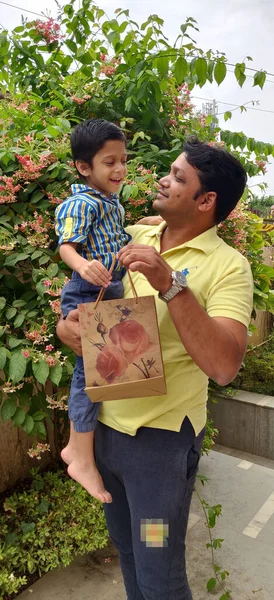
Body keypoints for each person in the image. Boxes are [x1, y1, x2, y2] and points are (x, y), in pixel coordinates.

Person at [57, 137, 253, 600]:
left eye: (179, 177)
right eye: (171, 170)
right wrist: (73, 331)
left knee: (158, 570)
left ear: (207, 202)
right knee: (126, 549)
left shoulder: (229, 268)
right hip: (104, 435)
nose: (163, 179)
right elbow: (94, 316)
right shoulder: (134, 236)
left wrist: (171, 283)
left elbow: (224, 365)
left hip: (158, 451)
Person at [55, 118, 160, 504]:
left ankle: (83, 450)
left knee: (107, 368)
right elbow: (68, 245)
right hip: (88, 288)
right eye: (109, 162)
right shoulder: (80, 202)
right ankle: (78, 453)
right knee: (91, 371)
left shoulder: (109, 201)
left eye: (123, 161)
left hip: (108, 287)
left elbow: (111, 237)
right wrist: (82, 266)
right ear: (85, 168)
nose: (120, 169)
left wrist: (141, 225)